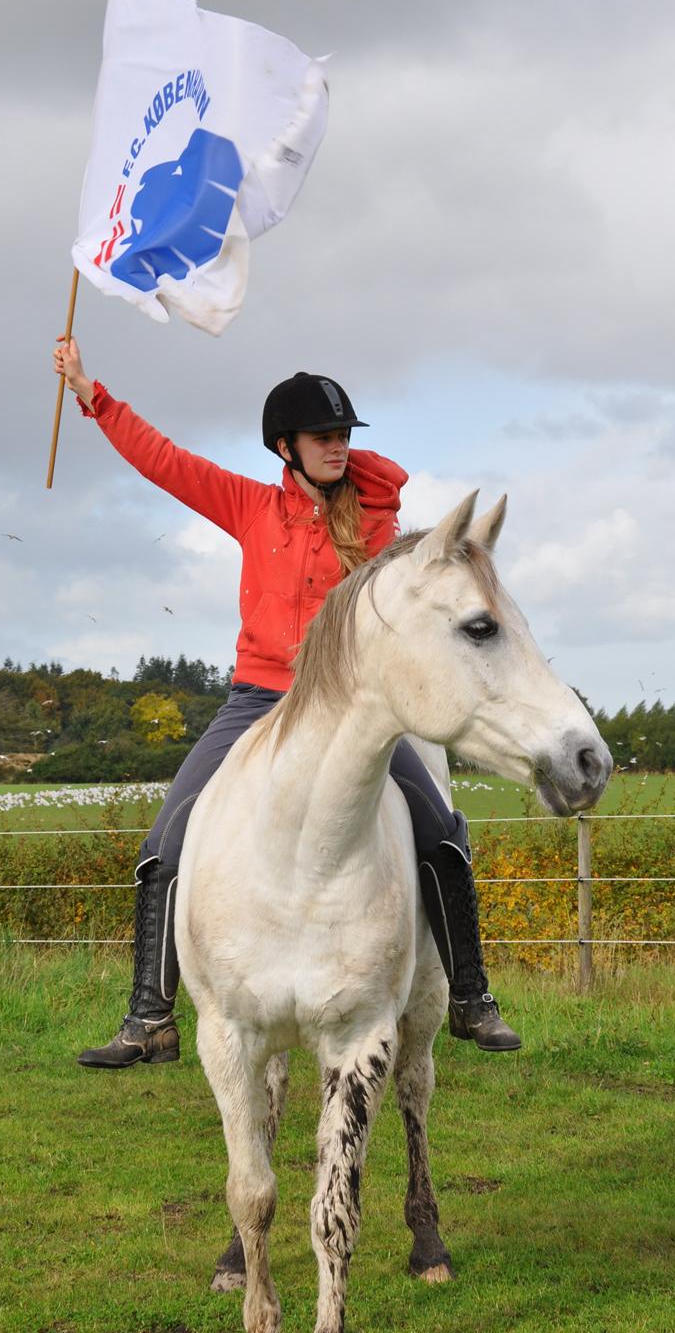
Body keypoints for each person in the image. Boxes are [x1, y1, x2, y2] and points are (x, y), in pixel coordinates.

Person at [52, 337, 522, 1067]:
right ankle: (148, 1016)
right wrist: (92, 397)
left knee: (440, 832)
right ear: (285, 446)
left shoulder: (373, 522)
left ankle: (470, 996)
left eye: (343, 437)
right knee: (166, 840)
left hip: (351, 710)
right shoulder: (247, 505)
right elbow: (165, 461)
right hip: (257, 700)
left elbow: (393, 520)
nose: (337, 447)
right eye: (322, 438)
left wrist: (345, 472)